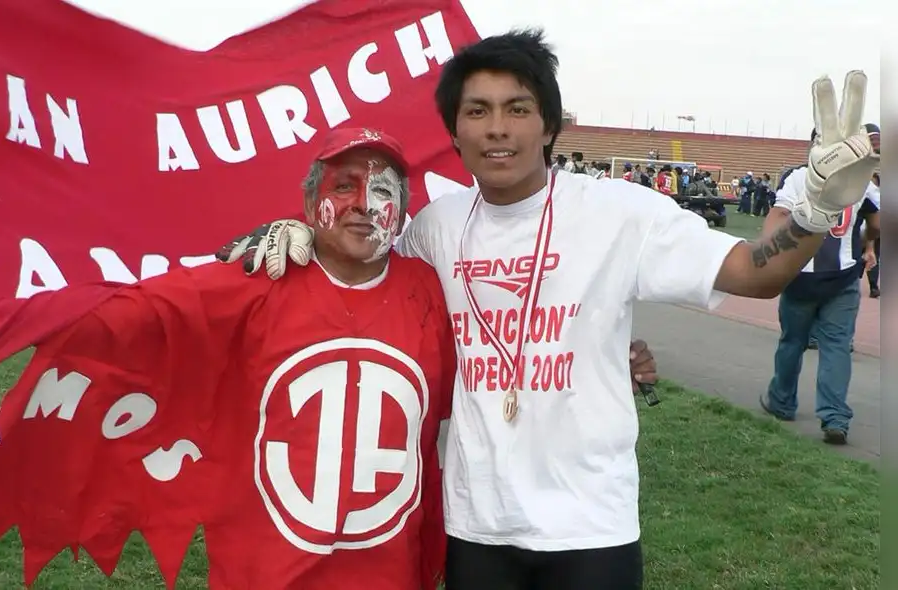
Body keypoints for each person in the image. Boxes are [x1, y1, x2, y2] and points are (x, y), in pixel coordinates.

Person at [218, 30, 877, 590]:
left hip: (590, 528)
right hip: (475, 527)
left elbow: (751, 273)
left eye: (517, 108)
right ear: (454, 130)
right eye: (477, 111)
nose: (497, 128)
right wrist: (300, 235)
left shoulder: (620, 213)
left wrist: (816, 209)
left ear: (550, 123)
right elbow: (355, 268)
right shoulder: (435, 228)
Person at [0, 125, 662, 589]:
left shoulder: (428, 290)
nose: (365, 204)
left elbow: (504, 354)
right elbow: (122, 312)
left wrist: (600, 352)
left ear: (404, 209)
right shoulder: (256, 278)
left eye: (383, 189)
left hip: (388, 571)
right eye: (344, 187)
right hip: (266, 570)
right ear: (311, 204)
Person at [763, 124, 880, 445]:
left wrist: (768, 247)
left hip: (800, 275)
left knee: (792, 342)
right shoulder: (860, 181)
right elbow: (878, 221)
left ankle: (782, 401)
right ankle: (835, 416)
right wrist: (867, 243)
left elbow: (777, 214)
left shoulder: (799, 177)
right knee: (836, 347)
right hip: (842, 276)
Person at [866, 172, 881, 298]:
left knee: (874, 255)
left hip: (875, 231)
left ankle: (873, 286)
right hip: (863, 232)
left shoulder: (875, 194)